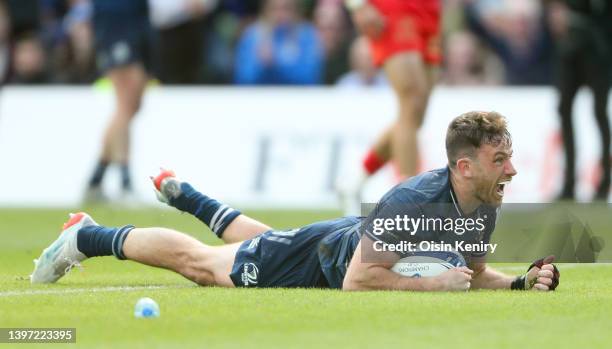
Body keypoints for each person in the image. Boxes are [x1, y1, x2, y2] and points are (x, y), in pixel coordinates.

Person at [31, 111, 560, 292]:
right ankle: (86, 236)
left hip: (337, 246)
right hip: (334, 259)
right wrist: (431, 282)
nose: (513, 170)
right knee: (207, 267)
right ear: (464, 167)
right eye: (500, 160)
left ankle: (192, 198)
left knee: (269, 245)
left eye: (510, 158)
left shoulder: (485, 202)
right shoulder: (413, 202)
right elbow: (359, 281)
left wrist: (518, 281)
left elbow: (471, 273)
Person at [338, 0, 441, 215]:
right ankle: (410, 206)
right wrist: (358, 5)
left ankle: (354, 180)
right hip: (393, 8)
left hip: (428, 8)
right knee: (411, 101)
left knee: (415, 114)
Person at [83, 0, 151, 202]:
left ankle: (96, 179)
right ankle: (125, 182)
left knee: (131, 106)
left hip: (134, 25)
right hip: (118, 28)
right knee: (125, 106)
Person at [549, 0, 611, 201]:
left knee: (599, 112)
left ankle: (604, 182)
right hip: (574, 45)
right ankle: (569, 185)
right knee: (565, 109)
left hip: (600, 46)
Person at [234, 0, 323, 85]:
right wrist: (261, 66)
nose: (280, 14)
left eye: (286, 8)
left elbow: (311, 77)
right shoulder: (253, 35)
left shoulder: (307, 35)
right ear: (266, 9)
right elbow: (242, 78)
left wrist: (276, 66)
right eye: (275, 8)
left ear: (295, 9)